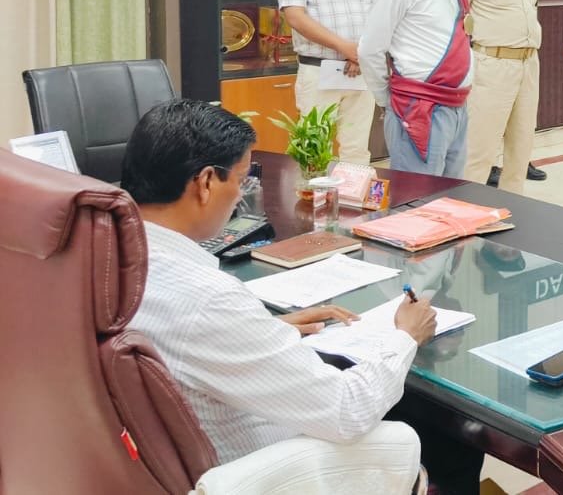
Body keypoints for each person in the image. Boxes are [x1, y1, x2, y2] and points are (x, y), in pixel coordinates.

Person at [123, 100, 486, 492]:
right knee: (449, 440)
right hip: (264, 466)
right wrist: (406, 336)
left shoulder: (115, 261)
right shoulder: (209, 301)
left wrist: (263, 329)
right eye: (242, 180)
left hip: (181, 452)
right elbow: (347, 410)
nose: (241, 197)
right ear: (206, 182)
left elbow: (186, 342)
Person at [359, 0, 474, 178]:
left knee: (451, 195)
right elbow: (370, 49)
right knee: (418, 197)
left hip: (457, 107)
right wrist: (388, 100)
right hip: (418, 109)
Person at [276, 0, 383, 165]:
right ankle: (311, 193)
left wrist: (359, 54)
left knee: (357, 149)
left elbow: (381, 14)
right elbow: (296, 17)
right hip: (318, 70)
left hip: (360, 70)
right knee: (314, 149)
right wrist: (345, 48)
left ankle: (353, 193)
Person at [462, 0, 549, 190]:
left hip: (528, 63)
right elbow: (457, 12)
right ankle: (467, 207)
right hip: (492, 65)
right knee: (480, 147)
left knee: (521, 145)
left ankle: (514, 203)